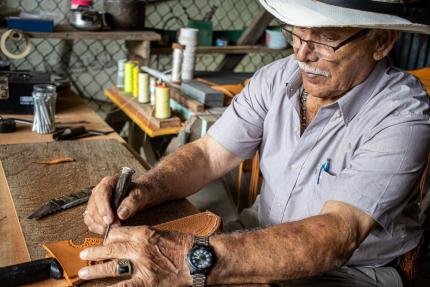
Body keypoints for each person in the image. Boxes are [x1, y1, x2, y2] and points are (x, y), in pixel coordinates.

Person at [79, 0, 430, 286]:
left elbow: (338, 234)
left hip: (348, 273)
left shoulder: (403, 114)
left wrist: (187, 259)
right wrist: (144, 188)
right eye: (296, 33)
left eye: (326, 38)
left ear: (381, 42)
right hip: (253, 239)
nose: (302, 54)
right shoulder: (276, 78)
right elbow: (207, 155)